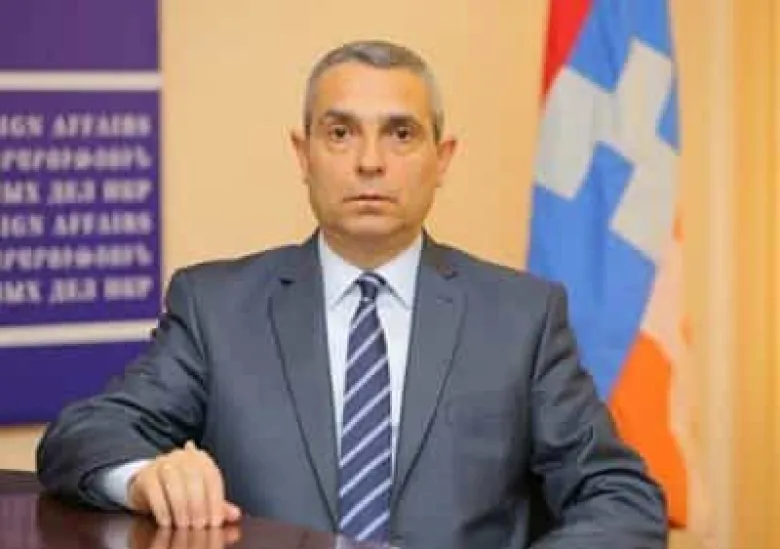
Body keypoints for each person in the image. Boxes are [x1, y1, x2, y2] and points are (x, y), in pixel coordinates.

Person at [36, 39, 668, 549]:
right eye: (340, 133)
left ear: (442, 158)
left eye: (401, 134)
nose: (370, 162)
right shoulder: (216, 308)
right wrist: (145, 477)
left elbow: (621, 497)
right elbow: (82, 435)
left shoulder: (521, 318)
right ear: (303, 154)